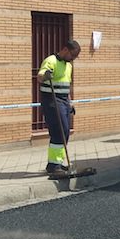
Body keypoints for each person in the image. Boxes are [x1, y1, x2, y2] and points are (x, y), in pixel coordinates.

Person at [37, 40, 81, 175]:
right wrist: (46, 75)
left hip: (63, 101)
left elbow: (66, 87)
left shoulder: (69, 66)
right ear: (65, 50)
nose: (73, 59)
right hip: (52, 101)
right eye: (72, 55)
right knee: (59, 130)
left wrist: (70, 102)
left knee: (65, 131)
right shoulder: (51, 61)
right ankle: (53, 165)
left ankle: (57, 163)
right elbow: (39, 76)